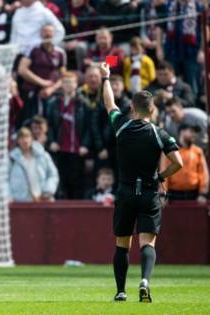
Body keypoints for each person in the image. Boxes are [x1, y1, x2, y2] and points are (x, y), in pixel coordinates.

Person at [100, 62, 183, 303]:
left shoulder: (122, 126)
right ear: (152, 110)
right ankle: (145, 281)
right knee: (148, 242)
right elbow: (178, 162)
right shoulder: (159, 133)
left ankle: (120, 291)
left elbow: (109, 104)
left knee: (122, 244)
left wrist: (106, 78)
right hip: (148, 193)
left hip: (126, 193)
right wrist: (161, 177)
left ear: (132, 108)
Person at [46, 71, 91, 199]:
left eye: (71, 82)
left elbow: (89, 126)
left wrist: (85, 144)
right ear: (61, 85)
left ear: (76, 85)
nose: (68, 85)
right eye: (65, 83)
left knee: (77, 185)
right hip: (60, 150)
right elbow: (49, 125)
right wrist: (52, 141)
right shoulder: (54, 103)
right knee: (61, 184)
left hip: (78, 151)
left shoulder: (83, 103)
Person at [17, 24, 65, 124]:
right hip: (33, 92)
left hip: (53, 93)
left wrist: (51, 89)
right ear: (40, 34)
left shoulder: (60, 53)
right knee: (32, 121)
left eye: (50, 32)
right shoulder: (33, 49)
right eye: (45, 31)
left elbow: (63, 76)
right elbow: (22, 70)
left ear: (55, 34)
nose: (47, 34)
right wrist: (42, 83)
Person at [6, 127, 58, 202]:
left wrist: (48, 190)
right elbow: (3, 179)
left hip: (42, 200)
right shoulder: (11, 158)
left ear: (32, 139)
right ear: (18, 141)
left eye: (27, 137)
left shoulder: (43, 155)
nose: (25, 140)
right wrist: (8, 196)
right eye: (21, 138)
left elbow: (53, 174)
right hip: (18, 201)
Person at [161, 124, 208, 203]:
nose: (194, 135)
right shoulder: (170, 151)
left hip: (194, 196)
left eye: (195, 132)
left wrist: (203, 193)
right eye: (191, 131)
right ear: (182, 132)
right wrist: (163, 194)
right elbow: (164, 173)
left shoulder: (198, 151)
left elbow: (203, 174)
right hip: (174, 196)